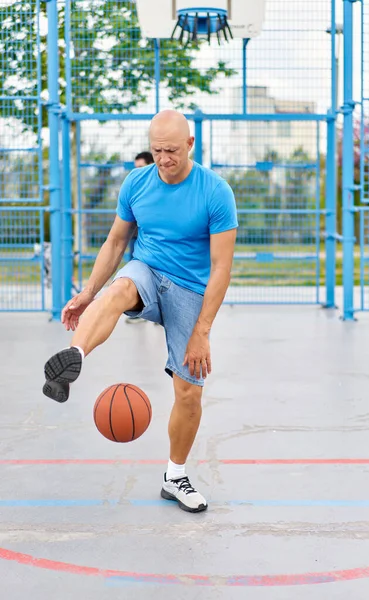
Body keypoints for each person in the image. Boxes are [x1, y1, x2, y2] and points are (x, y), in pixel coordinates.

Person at [42, 110, 238, 514]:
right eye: (157, 150)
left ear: (189, 145)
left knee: (189, 391)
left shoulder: (215, 192)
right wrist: (85, 293)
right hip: (147, 269)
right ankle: (72, 359)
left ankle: (175, 476)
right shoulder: (137, 183)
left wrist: (202, 330)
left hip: (191, 290)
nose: (164, 159)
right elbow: (115, 244)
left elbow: (221, 267)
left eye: (171, 151)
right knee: (118, 290)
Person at [126, 151, 155, 324]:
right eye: (135, 167)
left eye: (141, 167)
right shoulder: (133, 186)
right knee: (135, 276)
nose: (137, 171)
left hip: (154, 241)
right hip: (135, 238)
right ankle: (140, 312)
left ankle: (160, 314)